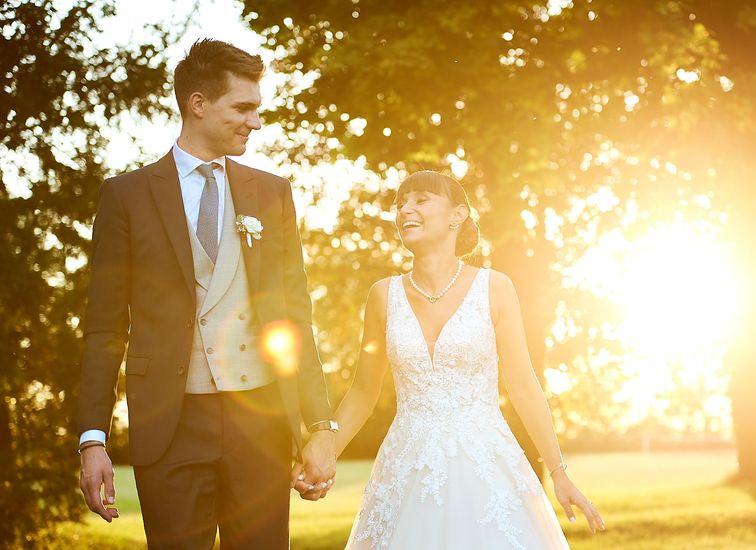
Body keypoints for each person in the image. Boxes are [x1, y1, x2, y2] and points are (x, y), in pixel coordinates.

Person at [77, 38, 337, 549]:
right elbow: (105, 325)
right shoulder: (125, 196)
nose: (255, 122)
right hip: (169, 424)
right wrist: (93, 437)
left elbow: (293, 315)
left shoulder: (272, 192)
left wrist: (319, 423)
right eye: (243, 108)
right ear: (198, 104)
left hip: (260, 420)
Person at [319, 170, 604, 549]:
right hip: (407, 468)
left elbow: (522, 385)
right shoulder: (382, 296)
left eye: (420, 199)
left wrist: (558, 472)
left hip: (485, 467)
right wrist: (325, 454)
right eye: (400, 203)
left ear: (458, 215)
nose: (405, 209)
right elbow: (362, 390)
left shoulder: (495, 288)